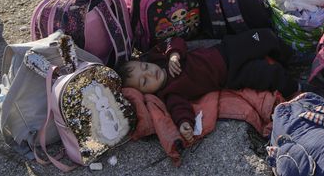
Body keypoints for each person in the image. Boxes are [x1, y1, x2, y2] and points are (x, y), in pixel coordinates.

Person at [118, 31, 298, 142]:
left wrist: (173, 54)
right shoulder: (169, 93)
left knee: (264, 36)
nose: (149, 73)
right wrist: (184, 124)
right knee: (265, 74)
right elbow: (179, 109)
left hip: (227, 50)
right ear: (146, 93)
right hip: (231, 76)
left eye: (144, 67)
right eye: (144, 81)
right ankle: (296, 86)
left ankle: (292, 58)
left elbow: (175, 41)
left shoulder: (161, 58)